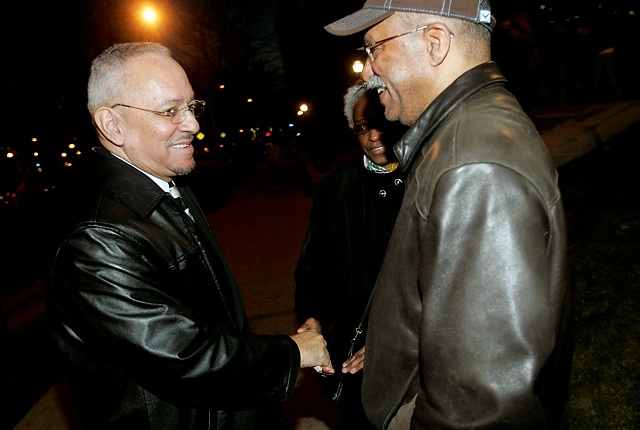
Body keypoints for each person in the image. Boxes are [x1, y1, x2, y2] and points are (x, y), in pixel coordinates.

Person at [44, 42, 333, 430]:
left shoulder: (164, 184)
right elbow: (182, 354)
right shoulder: (97, 238)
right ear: (113, 125)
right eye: (169, 111)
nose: (194, 125)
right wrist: (292, 352)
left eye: (191, 107)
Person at [325, 1, 573, 429]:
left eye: (374, 48)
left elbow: (479, 407)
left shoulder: (473, 165)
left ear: (435, 43)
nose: (366, 71)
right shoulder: (467, 133)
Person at [295, 81, 406, 429]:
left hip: (418, 350)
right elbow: (316, 267)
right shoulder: (335, 191)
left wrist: (393, 340)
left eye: (381, 124)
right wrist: (312, 317)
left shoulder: (428, 180)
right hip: (354, 356)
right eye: (362, 128)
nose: (373, 137)